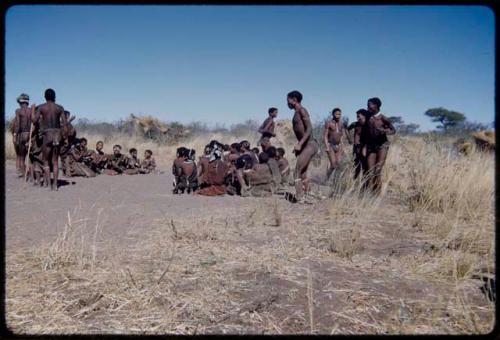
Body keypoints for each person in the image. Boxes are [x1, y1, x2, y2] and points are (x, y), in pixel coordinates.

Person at [287, 90, 319, 203]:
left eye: (288, 100)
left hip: (310, 144)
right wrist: (299, 145)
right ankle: (308, 193)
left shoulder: (302, 110)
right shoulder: (296, 112)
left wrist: (300, 144)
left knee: (296, 172)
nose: (287, 103)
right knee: (303, 172)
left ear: (294, 100)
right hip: (305, 145)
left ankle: (299, 197)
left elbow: (309, 128)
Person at [33, 88, 68, 190]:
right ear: (54, 97)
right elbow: (65, 125)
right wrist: (65, 138)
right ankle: (55, 185)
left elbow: (34, 120)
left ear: (45, 97)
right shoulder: (60, 108)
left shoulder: (41, 107)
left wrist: (32, 110)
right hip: (57, 134)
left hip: (47, 135)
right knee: (55, 161)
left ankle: (48, 184)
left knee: (46, 161)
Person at [364, 97, 396, 193]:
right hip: (371, 146)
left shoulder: (383, 118)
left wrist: (385, 131)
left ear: (376, 106)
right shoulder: (368, 117)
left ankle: (377, 193)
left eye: (370, 105)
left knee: (377, 170)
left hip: (382, 146)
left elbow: (393, 130)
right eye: (367, 105)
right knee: (370, 171)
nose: (368, 107)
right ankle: (369, 193)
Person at [323, 108, 349, 179]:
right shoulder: (329, 123)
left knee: (338, 164)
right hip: (331, 145)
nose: (338, 115)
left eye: (340, 114)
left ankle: (335, 181)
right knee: (333, 165)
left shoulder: (341, 124)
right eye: (337, 114)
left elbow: (342, 135)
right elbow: (325, 136)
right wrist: (327, 146)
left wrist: (342, 145)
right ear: (333, 114)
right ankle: (327, 177)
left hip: (339, 146)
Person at [12, 93, 33, 177]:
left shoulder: (18, 111)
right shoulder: (32, 110)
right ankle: (31, 174)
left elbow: (17, 124)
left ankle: (24, 174)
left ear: (20, 103)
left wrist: (14, 135)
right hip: (31, 135)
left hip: (22, 135)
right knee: (31, 156)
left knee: (21, 156)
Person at [347, 109, 369, 180]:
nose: (358, 118)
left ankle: (363, 184)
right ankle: (354, 183)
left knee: (365, 166)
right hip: (356, 148)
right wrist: (349, 138)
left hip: (365, 148)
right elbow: (347, 129)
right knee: (356, 166)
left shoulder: (368, 125)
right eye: (357, 116)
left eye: (359, 116)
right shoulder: (355, 124)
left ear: (364, 116)